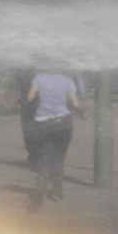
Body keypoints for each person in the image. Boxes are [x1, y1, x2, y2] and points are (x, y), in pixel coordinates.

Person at [26, 71, 86, 211]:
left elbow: (30, 98)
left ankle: (39, 191)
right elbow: (75, 103)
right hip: (63, 122)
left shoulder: (38, 77)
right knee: (59, 158)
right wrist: (82, 113)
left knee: (45, 159)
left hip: (43, 122)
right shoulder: (66, 79)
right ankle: (57, 191)